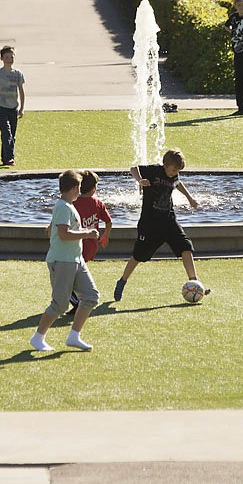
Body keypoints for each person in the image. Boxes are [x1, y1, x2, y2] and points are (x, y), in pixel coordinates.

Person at [113, 149, 207, 302]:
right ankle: (122, 281)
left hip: (169, 221)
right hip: (150, 224)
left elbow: (177, 183)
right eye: (173, 170)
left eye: (177, 171)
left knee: (185, 246)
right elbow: (133, 169)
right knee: (138, 255)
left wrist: (190, 198)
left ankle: (195, 283)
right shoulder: (154, 170)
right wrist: (139, 180)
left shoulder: (174, 175)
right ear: (165, 164)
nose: (175, 173)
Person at [29, 171, 100, 352]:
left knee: (91, 296)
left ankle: (74, 336)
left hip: (75, 260)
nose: (80, 191)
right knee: (60, 304)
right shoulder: (63, 206)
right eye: (79, 188)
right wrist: (87, 233)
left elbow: (58, 228)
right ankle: (38, 338)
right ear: (75, 188)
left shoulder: (67, 205)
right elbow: (63, 234)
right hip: (62, 261)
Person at [65, 170, 112, 317]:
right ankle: (79, 300)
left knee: (67, 278)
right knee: (77, 273)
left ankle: (78, 301)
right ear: (93, 189)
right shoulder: (98, 203)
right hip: (92, 246)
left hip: (77, 246)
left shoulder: (74, 203)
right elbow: (109, 221)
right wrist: (105, 236)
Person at [0, 45, 25, 167]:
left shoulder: (18, 74)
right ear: (1, 58)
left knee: (11, 135)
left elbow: (21, 91)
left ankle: (5, 158)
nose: (10, 59)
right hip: (0, 107)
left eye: (12, 56)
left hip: (13, 108)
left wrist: (22, 108)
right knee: (6, 132)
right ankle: (10, 158)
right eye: (7, 57)